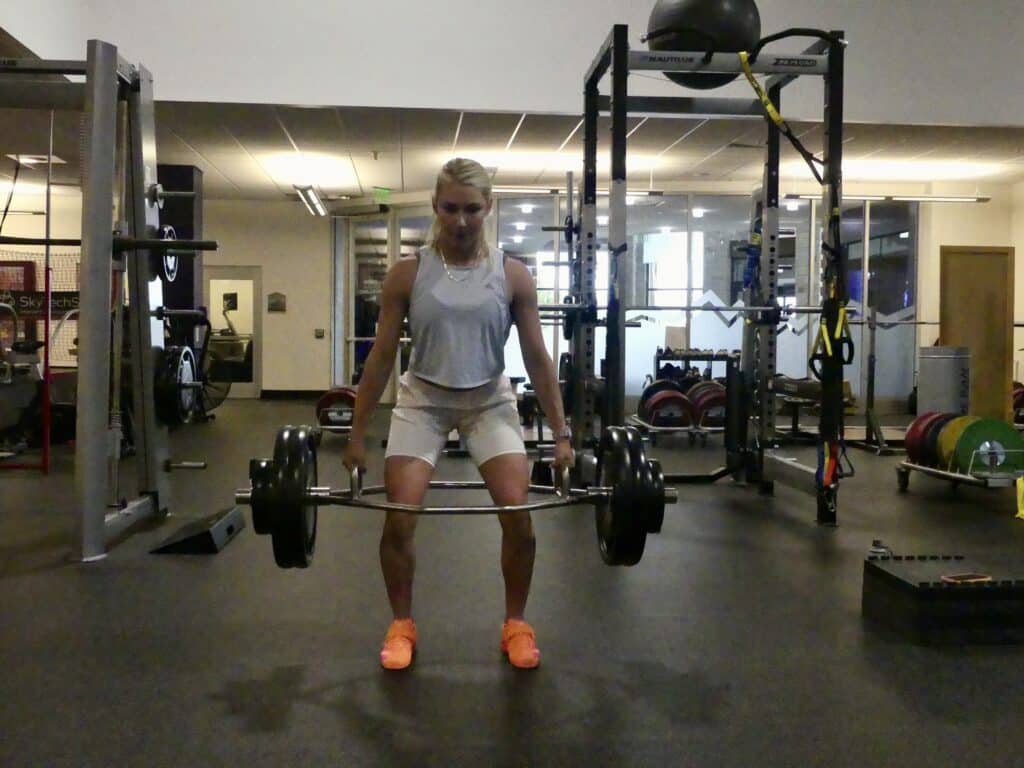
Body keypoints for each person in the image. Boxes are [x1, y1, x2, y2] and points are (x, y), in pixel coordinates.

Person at [342, 158, 574, 671]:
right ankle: (401, 624)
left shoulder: (512, 275)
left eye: (472, 208)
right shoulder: (408, 274)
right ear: (435, 206)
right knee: (399, 517)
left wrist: (562, 434)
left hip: (488, 401)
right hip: (422, 402)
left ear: (488, 206)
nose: (462, 220)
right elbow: (380, 357)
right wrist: (357, 433)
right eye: (450, 208)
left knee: (518, 516)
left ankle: (516, 623)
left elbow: (537, 358)